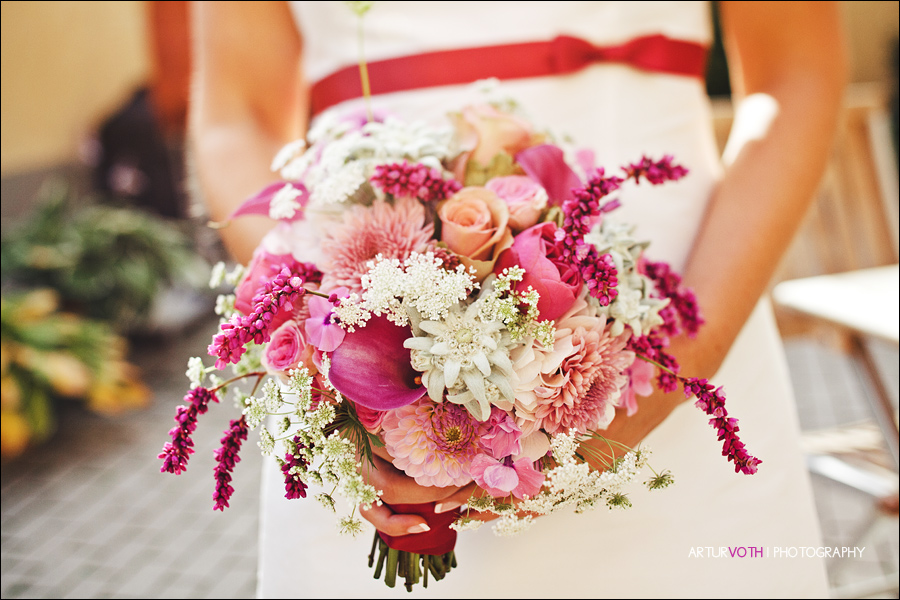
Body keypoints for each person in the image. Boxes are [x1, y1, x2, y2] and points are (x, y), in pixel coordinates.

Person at [190, 1, 846, 596]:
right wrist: (330, 320)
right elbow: (234, 115)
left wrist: (679, 361)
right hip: (367, 314)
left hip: (683, 309)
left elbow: (797, 72)